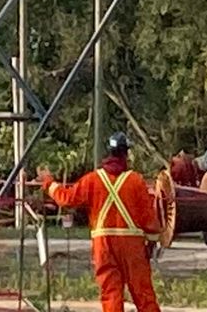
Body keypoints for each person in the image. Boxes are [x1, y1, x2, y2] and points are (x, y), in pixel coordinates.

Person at [42, 132, 163, 312]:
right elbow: (149, 220)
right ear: (126, 154)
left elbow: (67, 199)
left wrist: (49, 183)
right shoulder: (135, 181)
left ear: (109, 152)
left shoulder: (92, 179)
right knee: (143, 293)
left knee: (111, 293)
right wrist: (152, 243)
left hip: (104, 245)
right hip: (132, 246)